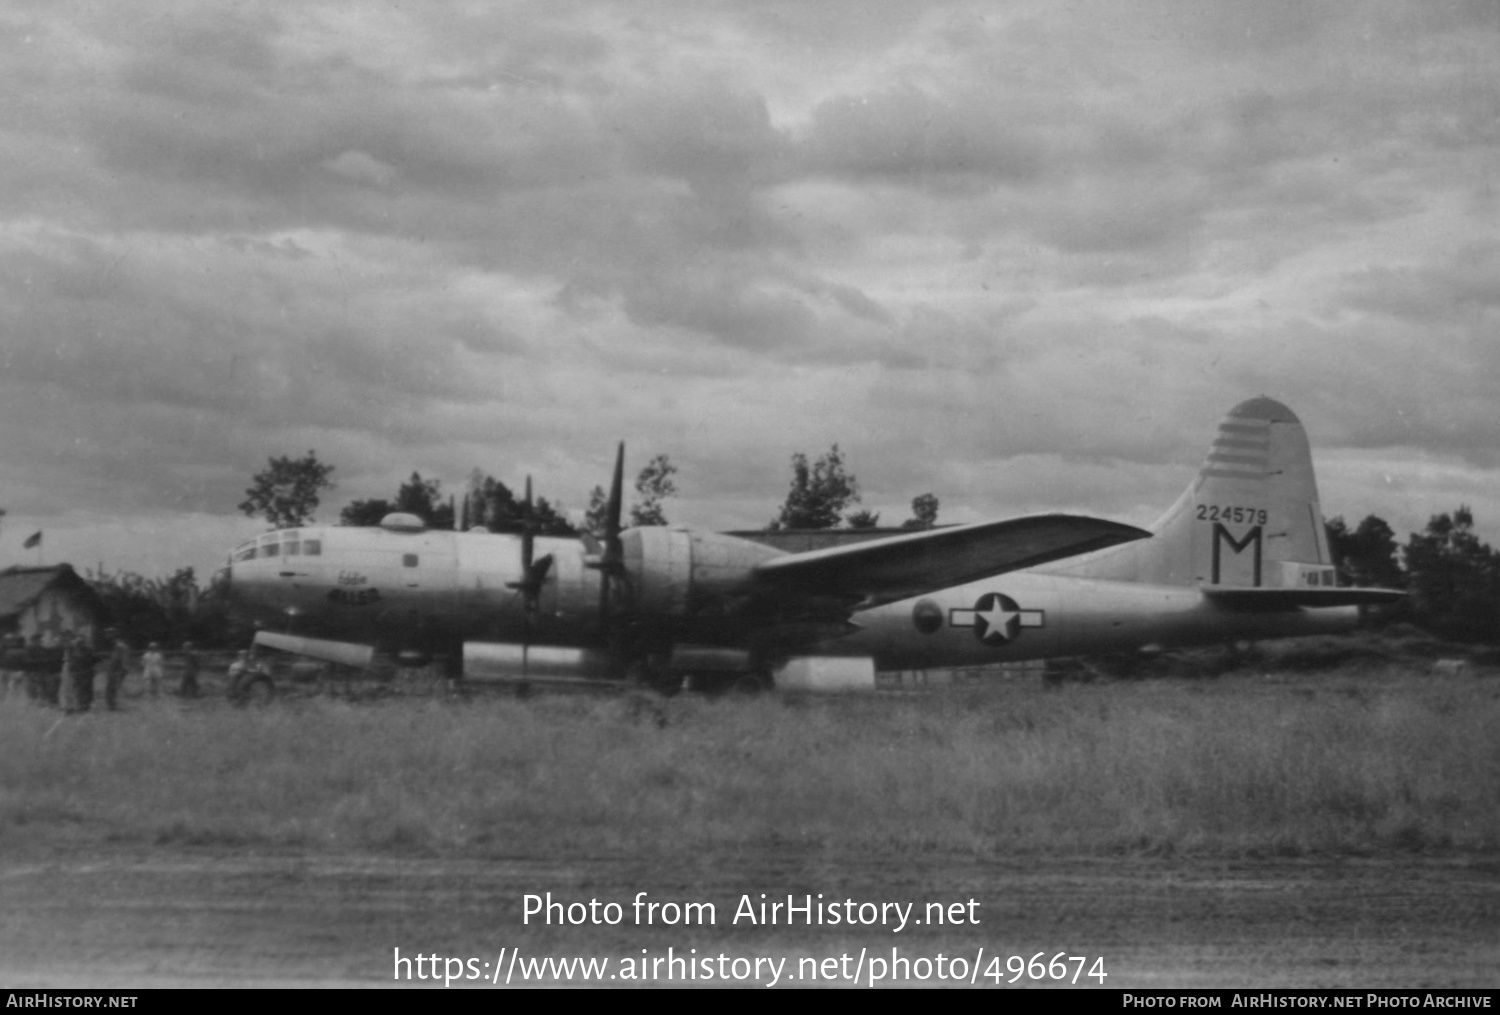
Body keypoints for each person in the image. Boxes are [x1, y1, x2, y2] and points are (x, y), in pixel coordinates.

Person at [103, 634, 130, 711]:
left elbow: (122, 660)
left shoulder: (120, 647)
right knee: (112, 688)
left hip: (116, 671)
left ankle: (113, 705)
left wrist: (123, 669)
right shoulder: (118, 648)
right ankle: (112, 705)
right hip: (114, 671)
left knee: (113, 688)